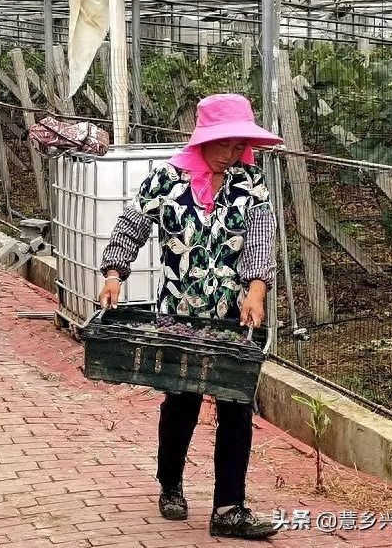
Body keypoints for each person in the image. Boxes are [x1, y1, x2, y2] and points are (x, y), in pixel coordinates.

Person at [98, 94, 282, 541]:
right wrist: (114, 274)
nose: (232, 153)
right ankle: (171, 485)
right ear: (202, 139)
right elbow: (131, 227)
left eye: (240, 145)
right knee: (182, 402)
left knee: (237, 407)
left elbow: (261, 239)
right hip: (179, 315)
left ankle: (229, 507)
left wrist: (256, 291)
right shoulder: (165, 181)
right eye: (225, 143)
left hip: (236, 319)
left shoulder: (251, 183)